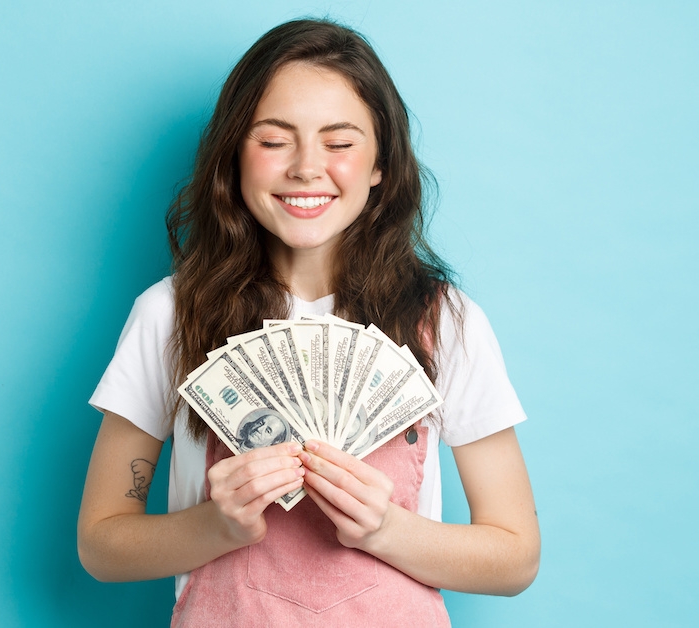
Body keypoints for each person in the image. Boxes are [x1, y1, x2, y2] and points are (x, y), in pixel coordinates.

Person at [78, 18, 539, 626]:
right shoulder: (170, 315)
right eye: (273, 140)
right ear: (233, 158)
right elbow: (101, 545)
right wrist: (217, 525)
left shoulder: (445, 321)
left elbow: (515, 558)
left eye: (339, 142)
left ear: (381, 165)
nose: (305, 167)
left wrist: (386, 529)